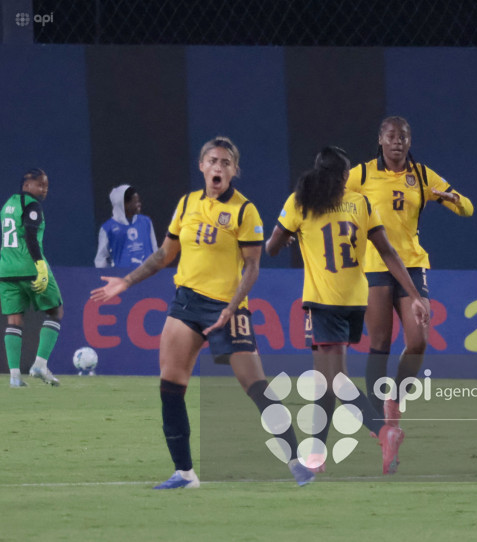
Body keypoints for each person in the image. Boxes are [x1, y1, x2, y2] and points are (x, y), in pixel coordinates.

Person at [90, 137, 314, 488]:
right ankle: (185, 474)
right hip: (186, 304)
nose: (218, 167)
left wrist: (231, 306)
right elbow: (164, 255)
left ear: (234, 170)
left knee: (255, 385)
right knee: (170, 386)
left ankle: (296, 461)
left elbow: (252, 267)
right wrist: (125, 282)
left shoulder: (245, 210)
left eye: (226, 162)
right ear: (202, 166)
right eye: (213, 161)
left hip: (229, 306)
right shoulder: (187, 204)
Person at [266, 146, 429, 475]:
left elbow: (271, 248)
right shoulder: (361, 203)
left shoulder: (301, 202)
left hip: (322, 300)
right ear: (344, 176)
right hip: (356, 301)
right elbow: (388, 253)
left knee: (336, 379)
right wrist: (414, 295)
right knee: (325, 382)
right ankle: (315, 455)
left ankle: (383, 429)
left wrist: (290, 237)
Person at [346, 116, 473, 426]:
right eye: (391, 136)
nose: (397, 141)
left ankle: (396, 401)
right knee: (380, 343)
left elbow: (468, 208)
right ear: (380, 140)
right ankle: (377, 417)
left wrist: (453, 199)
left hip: (413, 265)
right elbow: (327, 196)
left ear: (410, 142)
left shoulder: (420, 174)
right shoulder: (361, 174)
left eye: (403, 136)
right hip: (375, 265)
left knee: (418, 340)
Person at [1, 168, 63, 387]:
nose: (44, 189)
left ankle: (15, 377)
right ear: (27, 186)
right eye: (40, 184)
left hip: (6, 271)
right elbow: (30, 235)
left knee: (14, 320)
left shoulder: (7, 204)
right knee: (55, 310)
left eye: (46, 185)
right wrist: (40, 265)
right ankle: (39, 364)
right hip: (30, 268)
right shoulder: (32, 205)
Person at [94, 185, 158, 268]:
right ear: (124, 205)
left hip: (147, 275)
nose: (139, 204)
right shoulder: (107, 228)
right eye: (135, 202)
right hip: (123, 277)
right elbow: (101, 259)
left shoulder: (146, 222)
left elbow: (155, 248)